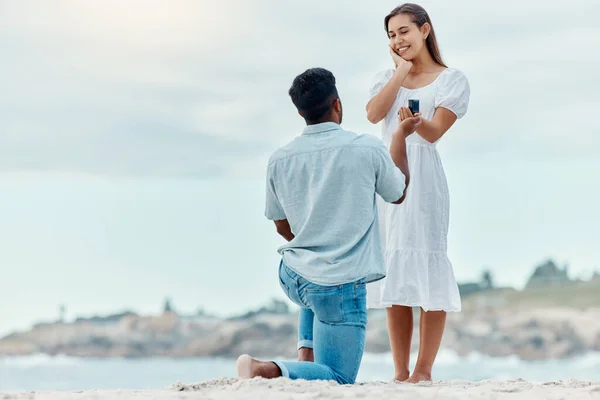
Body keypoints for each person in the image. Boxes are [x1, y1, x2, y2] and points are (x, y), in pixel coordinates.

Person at [236, 67, 419, 383]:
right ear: (337, 104)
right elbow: (398, 192)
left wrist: (314, 237)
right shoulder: (365, 148)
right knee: (338, 376)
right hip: (337, 286)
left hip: (293, 275)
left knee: (315, 279)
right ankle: (262, 369)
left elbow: (282, 226)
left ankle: (306, 354)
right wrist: (400, 135)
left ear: (300, 111)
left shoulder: (280, 158)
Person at [365, 3, 471, 383]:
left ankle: (423, 371)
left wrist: (412, 125)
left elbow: (435, 132)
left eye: (404, 31)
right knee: (392, 269)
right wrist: (401, 73)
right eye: (392, 35)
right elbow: (375, 114)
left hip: (424, 179)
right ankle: (399, 371)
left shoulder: (451, 79)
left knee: (428, 263)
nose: (398, 40)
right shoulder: (386, 77)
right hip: (389, 177)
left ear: (425, 31)